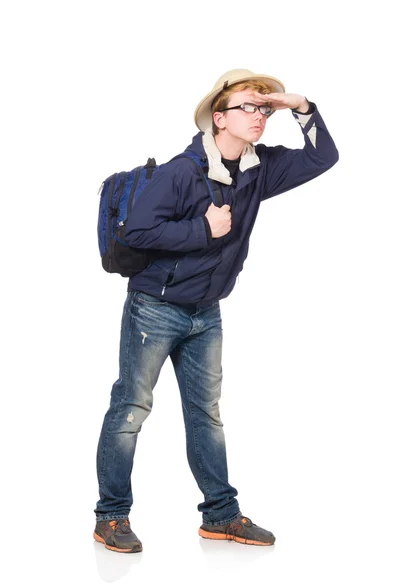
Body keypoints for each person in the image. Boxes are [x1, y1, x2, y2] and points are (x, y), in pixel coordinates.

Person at [93, 68, 339, 553]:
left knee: (206, 414)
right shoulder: (181, 171)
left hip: (206, 312)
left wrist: (299, 105)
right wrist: (202, 231)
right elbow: (135, 233)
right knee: (131, 409)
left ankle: (221, 516)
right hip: (154, 309)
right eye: (248, 106)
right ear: (219, 118)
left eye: (264, 109)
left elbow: (323, 157)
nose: (260, 116)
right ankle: (111, 516)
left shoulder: (257, 169)